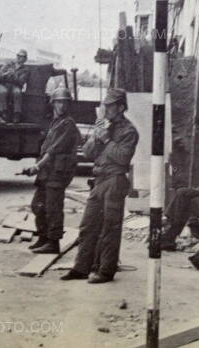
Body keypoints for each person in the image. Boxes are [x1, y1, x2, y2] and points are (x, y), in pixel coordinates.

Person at [61, 87, 139, 284]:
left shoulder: (129, 131)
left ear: (121, 107)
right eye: (105, 106)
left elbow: (122, 158)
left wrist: (106, 139)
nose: (106, 110)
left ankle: (106, 270)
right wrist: (96, 136)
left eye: (110, 106)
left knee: (110, 227)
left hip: (114, 180)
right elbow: (88, 154)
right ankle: (81, 267)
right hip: (99, 180)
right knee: (88, 225)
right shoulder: (104, 126)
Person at [25, 87, 80, 254]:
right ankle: (43, 237)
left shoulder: (68, 124)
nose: (62, 105)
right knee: (38, 205)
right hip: (47, 172)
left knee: (53, 208)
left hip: (57, 172)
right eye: (59, 102)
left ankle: (53, 242)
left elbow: (53, 150)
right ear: (53, 103)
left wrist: (37, 166)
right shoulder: (55, 122)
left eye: (65, 102)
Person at [0, 49, 30, 123]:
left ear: (25, 59)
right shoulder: (8, 64)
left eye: (21, 56)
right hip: (4, 84)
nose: (19, 57)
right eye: (18, 55)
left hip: (15, 86)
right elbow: (0, 75)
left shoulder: (26, 69)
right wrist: (7, 74)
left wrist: (14, 75)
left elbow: (21, 82)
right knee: (2, 91)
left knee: (17, 92)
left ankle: (16, 114)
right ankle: (3, 113)